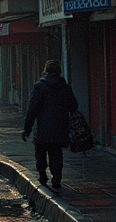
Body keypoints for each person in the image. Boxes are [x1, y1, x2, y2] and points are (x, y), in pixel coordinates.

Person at [22, 59, 78, 190]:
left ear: (46, 71)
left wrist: (27, 129)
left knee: (40, 152)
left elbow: (32, 109)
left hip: (43, 127)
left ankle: (42, 175)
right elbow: (74, 106)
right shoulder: (65, 87)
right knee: (56, 153)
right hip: (60, 127)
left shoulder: (39, 86)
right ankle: (57, 178)